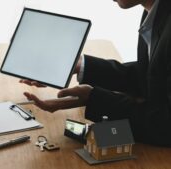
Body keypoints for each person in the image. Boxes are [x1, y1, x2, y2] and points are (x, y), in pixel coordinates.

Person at [21, 0, 171, 146]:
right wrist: (80, 66)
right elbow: (152, 74)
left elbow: (166, 125)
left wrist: (93, 98)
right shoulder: (156, 10)